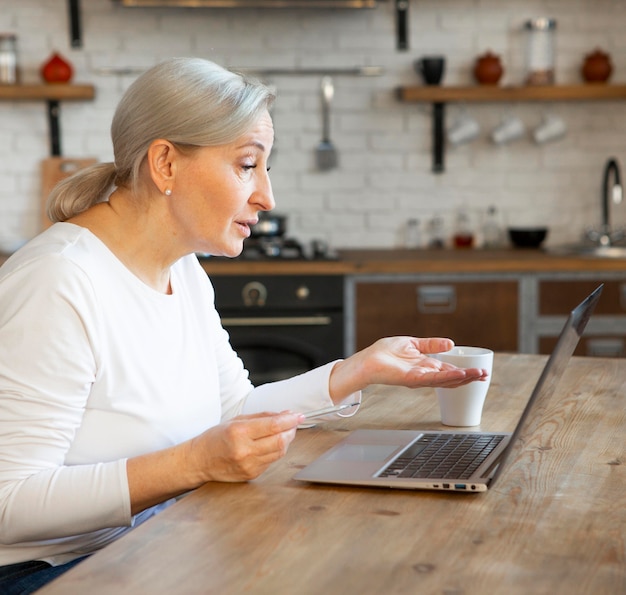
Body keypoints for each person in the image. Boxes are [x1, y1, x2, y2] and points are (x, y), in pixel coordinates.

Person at [0, 57, 488, 593]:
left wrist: (354, 372)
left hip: (146, 543)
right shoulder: (59, 280)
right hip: (46, 572)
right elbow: (9, 501)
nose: (267, 198)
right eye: (246, 165)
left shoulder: (182, 270)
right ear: (165, 164)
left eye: (265, 168)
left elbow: (230, 411)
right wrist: (190, 464)